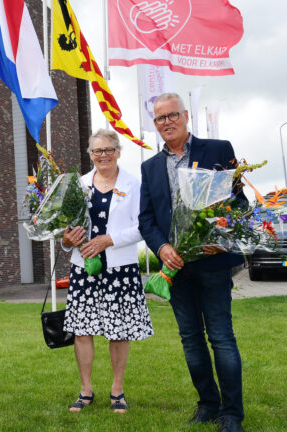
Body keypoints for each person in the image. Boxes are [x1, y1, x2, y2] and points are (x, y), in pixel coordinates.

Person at [138, 93, 247, 432]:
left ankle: (231, 414)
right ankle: (207, 404)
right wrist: (162, 246)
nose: (167, 122)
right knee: (190, 338)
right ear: (155, 125)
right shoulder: (150, 167)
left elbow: (238, 203)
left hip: (213, 262)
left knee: (221, 337)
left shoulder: (217, 149)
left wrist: (220, 235)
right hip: (176, 267)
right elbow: (146, 219)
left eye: (172, 115)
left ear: (186, 116)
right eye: (160, 118)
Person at [61, 129, 154, 414]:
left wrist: (108, 240)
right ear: (90, 155)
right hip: (84, 267)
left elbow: (142, 226)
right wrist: (66, 241)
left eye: (108, 150)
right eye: (96, 151)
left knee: (118, 331)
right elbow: (65, 227)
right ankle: (85, 390)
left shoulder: (134, 184)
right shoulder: (78, 184)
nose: (103, 155)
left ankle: (117, 390)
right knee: (81, 330)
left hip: (119, 268)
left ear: (118, 151)